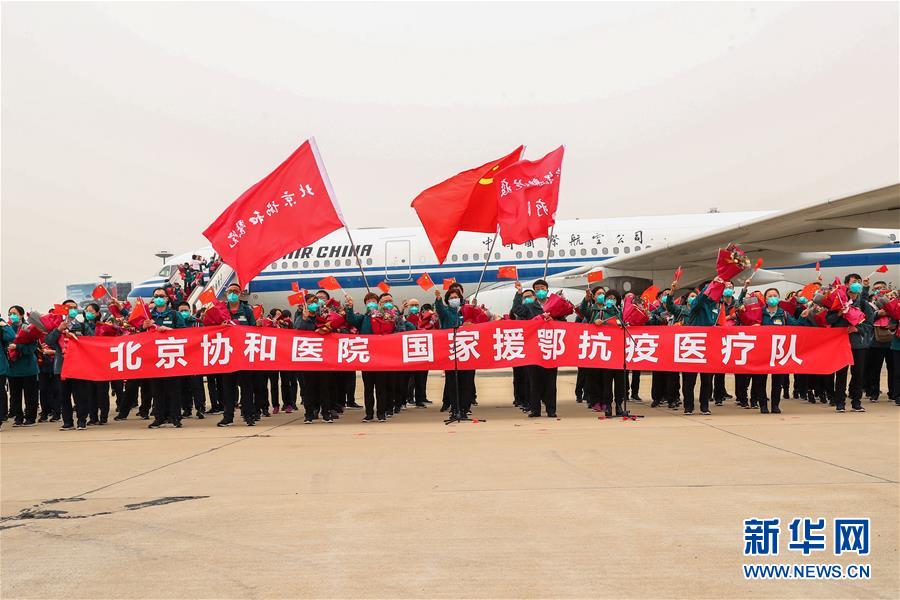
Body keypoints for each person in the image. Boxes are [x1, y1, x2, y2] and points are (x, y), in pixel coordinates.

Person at [827, 274, 874, 412]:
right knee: (841, 374)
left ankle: (856, 401)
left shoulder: (864, 304)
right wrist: (839, 314)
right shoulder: (838, 302)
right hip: (841, 343)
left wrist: (857, 328)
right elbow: (828, 320)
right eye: (853, 282)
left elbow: (869, 324)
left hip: (858, 344)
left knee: (858, 374)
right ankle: (840, 402)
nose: (856, 284)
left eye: (858, 282)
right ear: (846, 284)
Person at [45, 300, 91, 430]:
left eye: (74, 307)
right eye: (69, 307)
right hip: (61, 367)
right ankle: (67, 422)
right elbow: (48, 340)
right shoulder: (58, 326)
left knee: (80, 395)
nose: (72, 309)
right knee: (63, 396)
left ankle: (82, 421)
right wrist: (58, 330)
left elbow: (92, 341)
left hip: (78, 367)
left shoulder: (82, 326)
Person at [144, 288, 187, 428]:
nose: (158, 298)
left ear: (167, 299)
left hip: (172, 357)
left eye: (161, 296)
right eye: (155, 296)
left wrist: (170, 331)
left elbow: (185, 333)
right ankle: (159, 417)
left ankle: (175, 417)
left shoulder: (175, 315)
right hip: (154, 359)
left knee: (174, 389)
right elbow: (141, 338)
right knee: (157, 391)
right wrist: (143, 327)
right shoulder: (149, 316)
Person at [434, 286, 476, 420]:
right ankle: (455, 409)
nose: (454, 300)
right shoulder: (446, 312)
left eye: (456, 297)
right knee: (453, 383)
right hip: (451, 352)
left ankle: (465, 408)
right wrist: (438, 300)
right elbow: (440, 310)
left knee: (467, 382)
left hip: (466, 350)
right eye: (451, 298)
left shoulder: (466, 310)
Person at [218, 283, 257, 427]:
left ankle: (248, 415)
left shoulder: (246, 310)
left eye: (235, 291)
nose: (233, 293)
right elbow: (212, 328)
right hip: (227, 354)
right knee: (228, 388)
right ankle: (228, 416)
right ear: (226, 293)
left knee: (246, 387)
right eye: (230, 291)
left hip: (243, 354)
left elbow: (253, 329)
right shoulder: (221, 310)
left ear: (240, 293)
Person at [6, 305, 41, 427]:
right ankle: (18, 418)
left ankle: (30, 418)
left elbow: (32, 348)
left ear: (21, 315)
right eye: (10, 313)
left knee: (30, 395)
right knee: (15, 395)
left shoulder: (28, 328)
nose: (12, 316)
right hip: (13, 368)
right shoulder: (7, 328)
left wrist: (18, 347)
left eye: (14, 313)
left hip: (28, 368)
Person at [177, 302, 205, 420]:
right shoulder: (176, 323)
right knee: (183, 386)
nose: (184, 313)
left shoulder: (197, 323)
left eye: (186, 310)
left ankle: (200, 408)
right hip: (180, 359)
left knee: (197, 385)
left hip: (195, 359)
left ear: (190, 311)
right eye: (181, 311)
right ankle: (187, 409)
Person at [404, 298, 435, 408]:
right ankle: (409, 397)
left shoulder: (423, 318)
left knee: (422, 376)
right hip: (410, 350)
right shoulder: (405, 318)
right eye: (412, 305)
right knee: (411, 377)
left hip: (422, 348)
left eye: (416, 305)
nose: (414, 307)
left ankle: (421, 397)